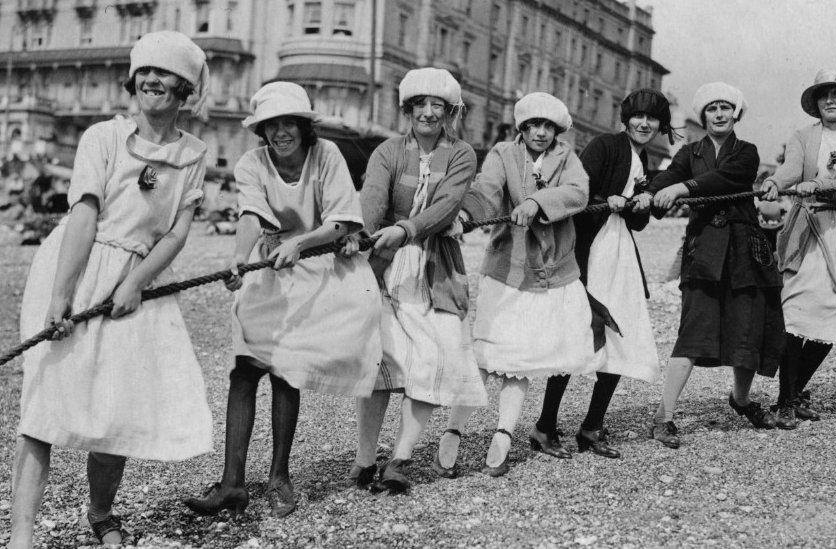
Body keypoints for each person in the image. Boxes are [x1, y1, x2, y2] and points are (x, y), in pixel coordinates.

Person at [10, 31, 213, 547]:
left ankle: (101, 513)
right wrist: (62, 294)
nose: (153, 81)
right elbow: (84, 214)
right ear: (132, 78)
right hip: (77, 265)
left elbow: (176, 232)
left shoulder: (194, 154)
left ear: (186, 88)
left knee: (116, 403)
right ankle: (22, 531)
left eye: (167, 74)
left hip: (137, 284)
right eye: (145, 71)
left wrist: (135, 284)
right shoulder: (101, 137)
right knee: (44, 403)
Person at [184, 82, 382, 517]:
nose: (280, 132)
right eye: (271, 125)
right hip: (270, 268)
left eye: (288, 122)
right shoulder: (251, 163)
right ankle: (232, 484)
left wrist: (301, 243)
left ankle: (279, 477)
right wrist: (239, 258)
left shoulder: (326, 155)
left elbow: (341, 221)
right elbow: (253, 215)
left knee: (285, 372)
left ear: (303, 126)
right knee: (243, 371)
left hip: (319, 270)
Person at [436, 92, 592, 477]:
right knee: (487, 357)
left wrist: (538, 203)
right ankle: (454, 426)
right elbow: (487, 189)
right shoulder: (503, 153)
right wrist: (467, 214)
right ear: (521, 127)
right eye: (533, 125)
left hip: (553, 270)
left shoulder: (567, 157)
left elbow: (578, 192)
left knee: (520, 359)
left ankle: (504, 431)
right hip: (508, 268)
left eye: (547, 126)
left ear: (557, 130)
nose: (540, 132)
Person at [353, 68, 487, 494]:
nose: (428, 113)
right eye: (419, 104)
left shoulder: (462, 153)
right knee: (379, 363)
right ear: (407, 109)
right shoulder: (387, 152)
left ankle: (402, 457)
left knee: (433, 359)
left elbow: (447, 206)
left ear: (449, 111)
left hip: (435, 267)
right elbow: (372, 202)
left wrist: (407, 229)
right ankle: (365, 459)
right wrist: (362, 236)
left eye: (438, 106)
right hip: (385, 264)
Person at [533, 89, 669, 459]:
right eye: (637, 116)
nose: (644, 123)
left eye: (652, 119)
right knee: (580, 331)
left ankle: (592, 427)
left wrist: (641, 201)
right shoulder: (605, 145)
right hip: (590, 249)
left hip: (619, 250)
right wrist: (601, 202)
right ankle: (544, 426)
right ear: (625, 119)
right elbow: (576, 195)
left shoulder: (643, 160)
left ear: (660, 125)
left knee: (620, 332)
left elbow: (638, 223)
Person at [647, 82, 783, 449]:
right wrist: (649, 194)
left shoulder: (747, 152)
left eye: (726, 108)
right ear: (703, 115)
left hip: (743, 252)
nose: (719, 114)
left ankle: (740, 401)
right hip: (704, 250)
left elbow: (725, 179)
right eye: (712, 109)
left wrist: (681, 190)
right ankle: (665, 415)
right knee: (693, 331)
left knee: (746, 330)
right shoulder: (689, 152)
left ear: (736, 113)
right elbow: (666, 178)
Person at [759, 70, 836, 428]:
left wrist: (818, 184)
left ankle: (795, 392)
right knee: (797, 310)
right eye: (823, 94)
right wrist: (773, 182)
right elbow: (791, 170)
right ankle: (784, 401)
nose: (829, 100)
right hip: (808, 229)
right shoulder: (803, 136)